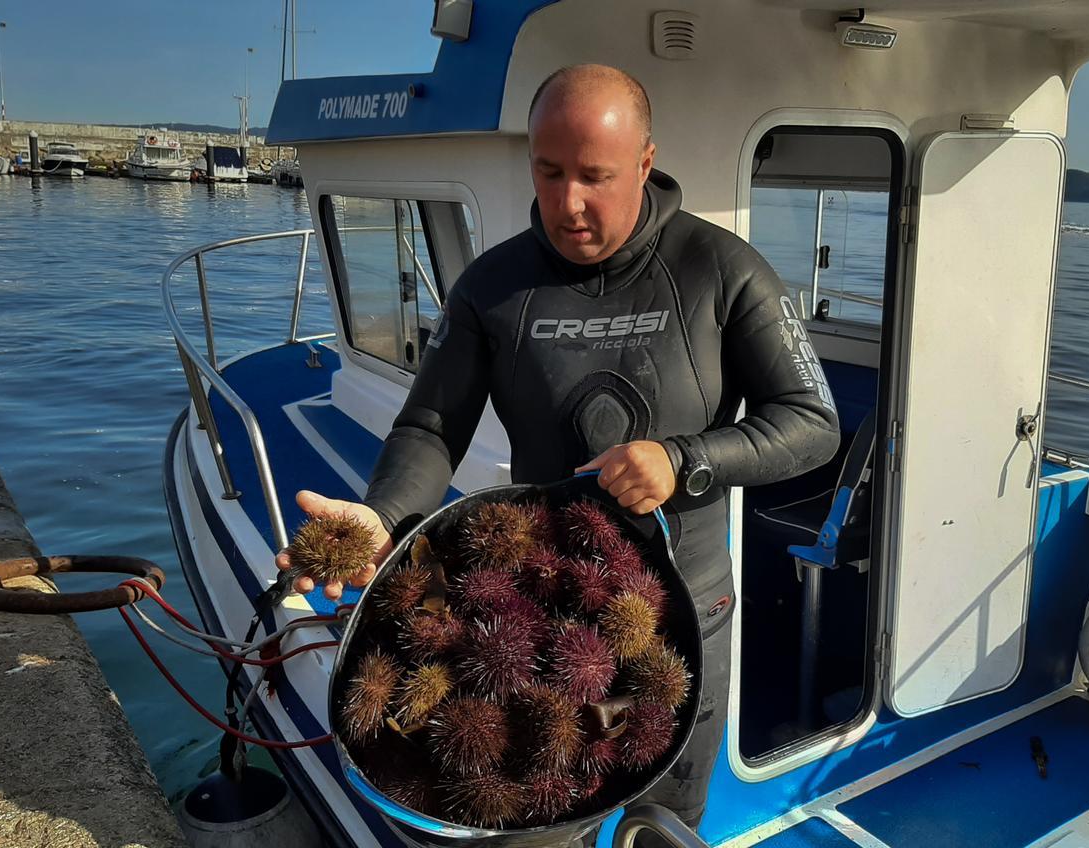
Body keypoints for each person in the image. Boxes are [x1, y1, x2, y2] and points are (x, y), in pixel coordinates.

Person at [276, 64, 840, 839]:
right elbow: (432, 426)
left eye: (595, 177)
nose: (569, 202)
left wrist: (685, 458)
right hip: (540, 617)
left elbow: (812, 422)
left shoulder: (721, 270)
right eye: (548, 172)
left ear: (644, 162)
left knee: (668, 823)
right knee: (534, 819)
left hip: (687, 617)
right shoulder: (492, 287)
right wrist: (384, 518)